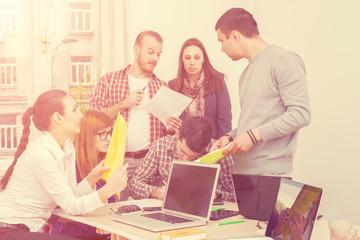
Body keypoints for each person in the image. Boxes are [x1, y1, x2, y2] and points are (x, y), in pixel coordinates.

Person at [0, 90, 128, 240]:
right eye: (74, 109)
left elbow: (70, 194)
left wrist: (92, 177)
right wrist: (107, 191)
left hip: (30, 228)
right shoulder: (42, 153)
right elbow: (70, 206)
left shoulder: (67, 147)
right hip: (9, 229)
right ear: (58, 117)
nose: (80, 115)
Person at [211, 8, 311, 176]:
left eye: (221, 41)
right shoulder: (245, 74)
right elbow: (255, 121)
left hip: (269, 174)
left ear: (235, 36)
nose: (221, 48)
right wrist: (229, 137)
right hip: (242, 171)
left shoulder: (283, 59)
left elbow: (301, 113)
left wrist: (252, 136)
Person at [90, 30, 167, 200]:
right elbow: (93, 119)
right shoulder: (109, 81)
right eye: (151, 52)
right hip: (117, 160)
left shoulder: (162, 86)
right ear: (136, 49)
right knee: (113, 209)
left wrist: (172, 127)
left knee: (149, 213)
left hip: (150, 162)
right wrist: (125, 103)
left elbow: (166, 132)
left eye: (159, 54)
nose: (155, 58)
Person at [128, 116, 235, 202]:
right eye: (183, 151)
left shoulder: (220, 153)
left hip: (210, 215)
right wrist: (156, 192)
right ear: (177, 134)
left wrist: (215, 194)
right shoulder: (160, 147)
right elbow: (134, 184)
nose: (185, 160)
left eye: (193, 157)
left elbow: (235, 194)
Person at [50, 110, 116, 239]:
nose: (108, 138)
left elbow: (109, 207)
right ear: (87, 136)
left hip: (100, 233)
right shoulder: (69, 163)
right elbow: (57, 213)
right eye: (102, 134)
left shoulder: (106, 162)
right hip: (72, 234)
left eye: (110, 133)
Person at [167, 38, 232, 139]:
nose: (192, 62)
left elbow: (225, 122)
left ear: (203, 59)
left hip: (211, 146)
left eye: (197, 58)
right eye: (187, 58)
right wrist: (170, 128)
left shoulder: (217, 82)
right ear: (182, 60)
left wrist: (221, 149)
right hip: (183, 148)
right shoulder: (173, 86)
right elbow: (169, 126)